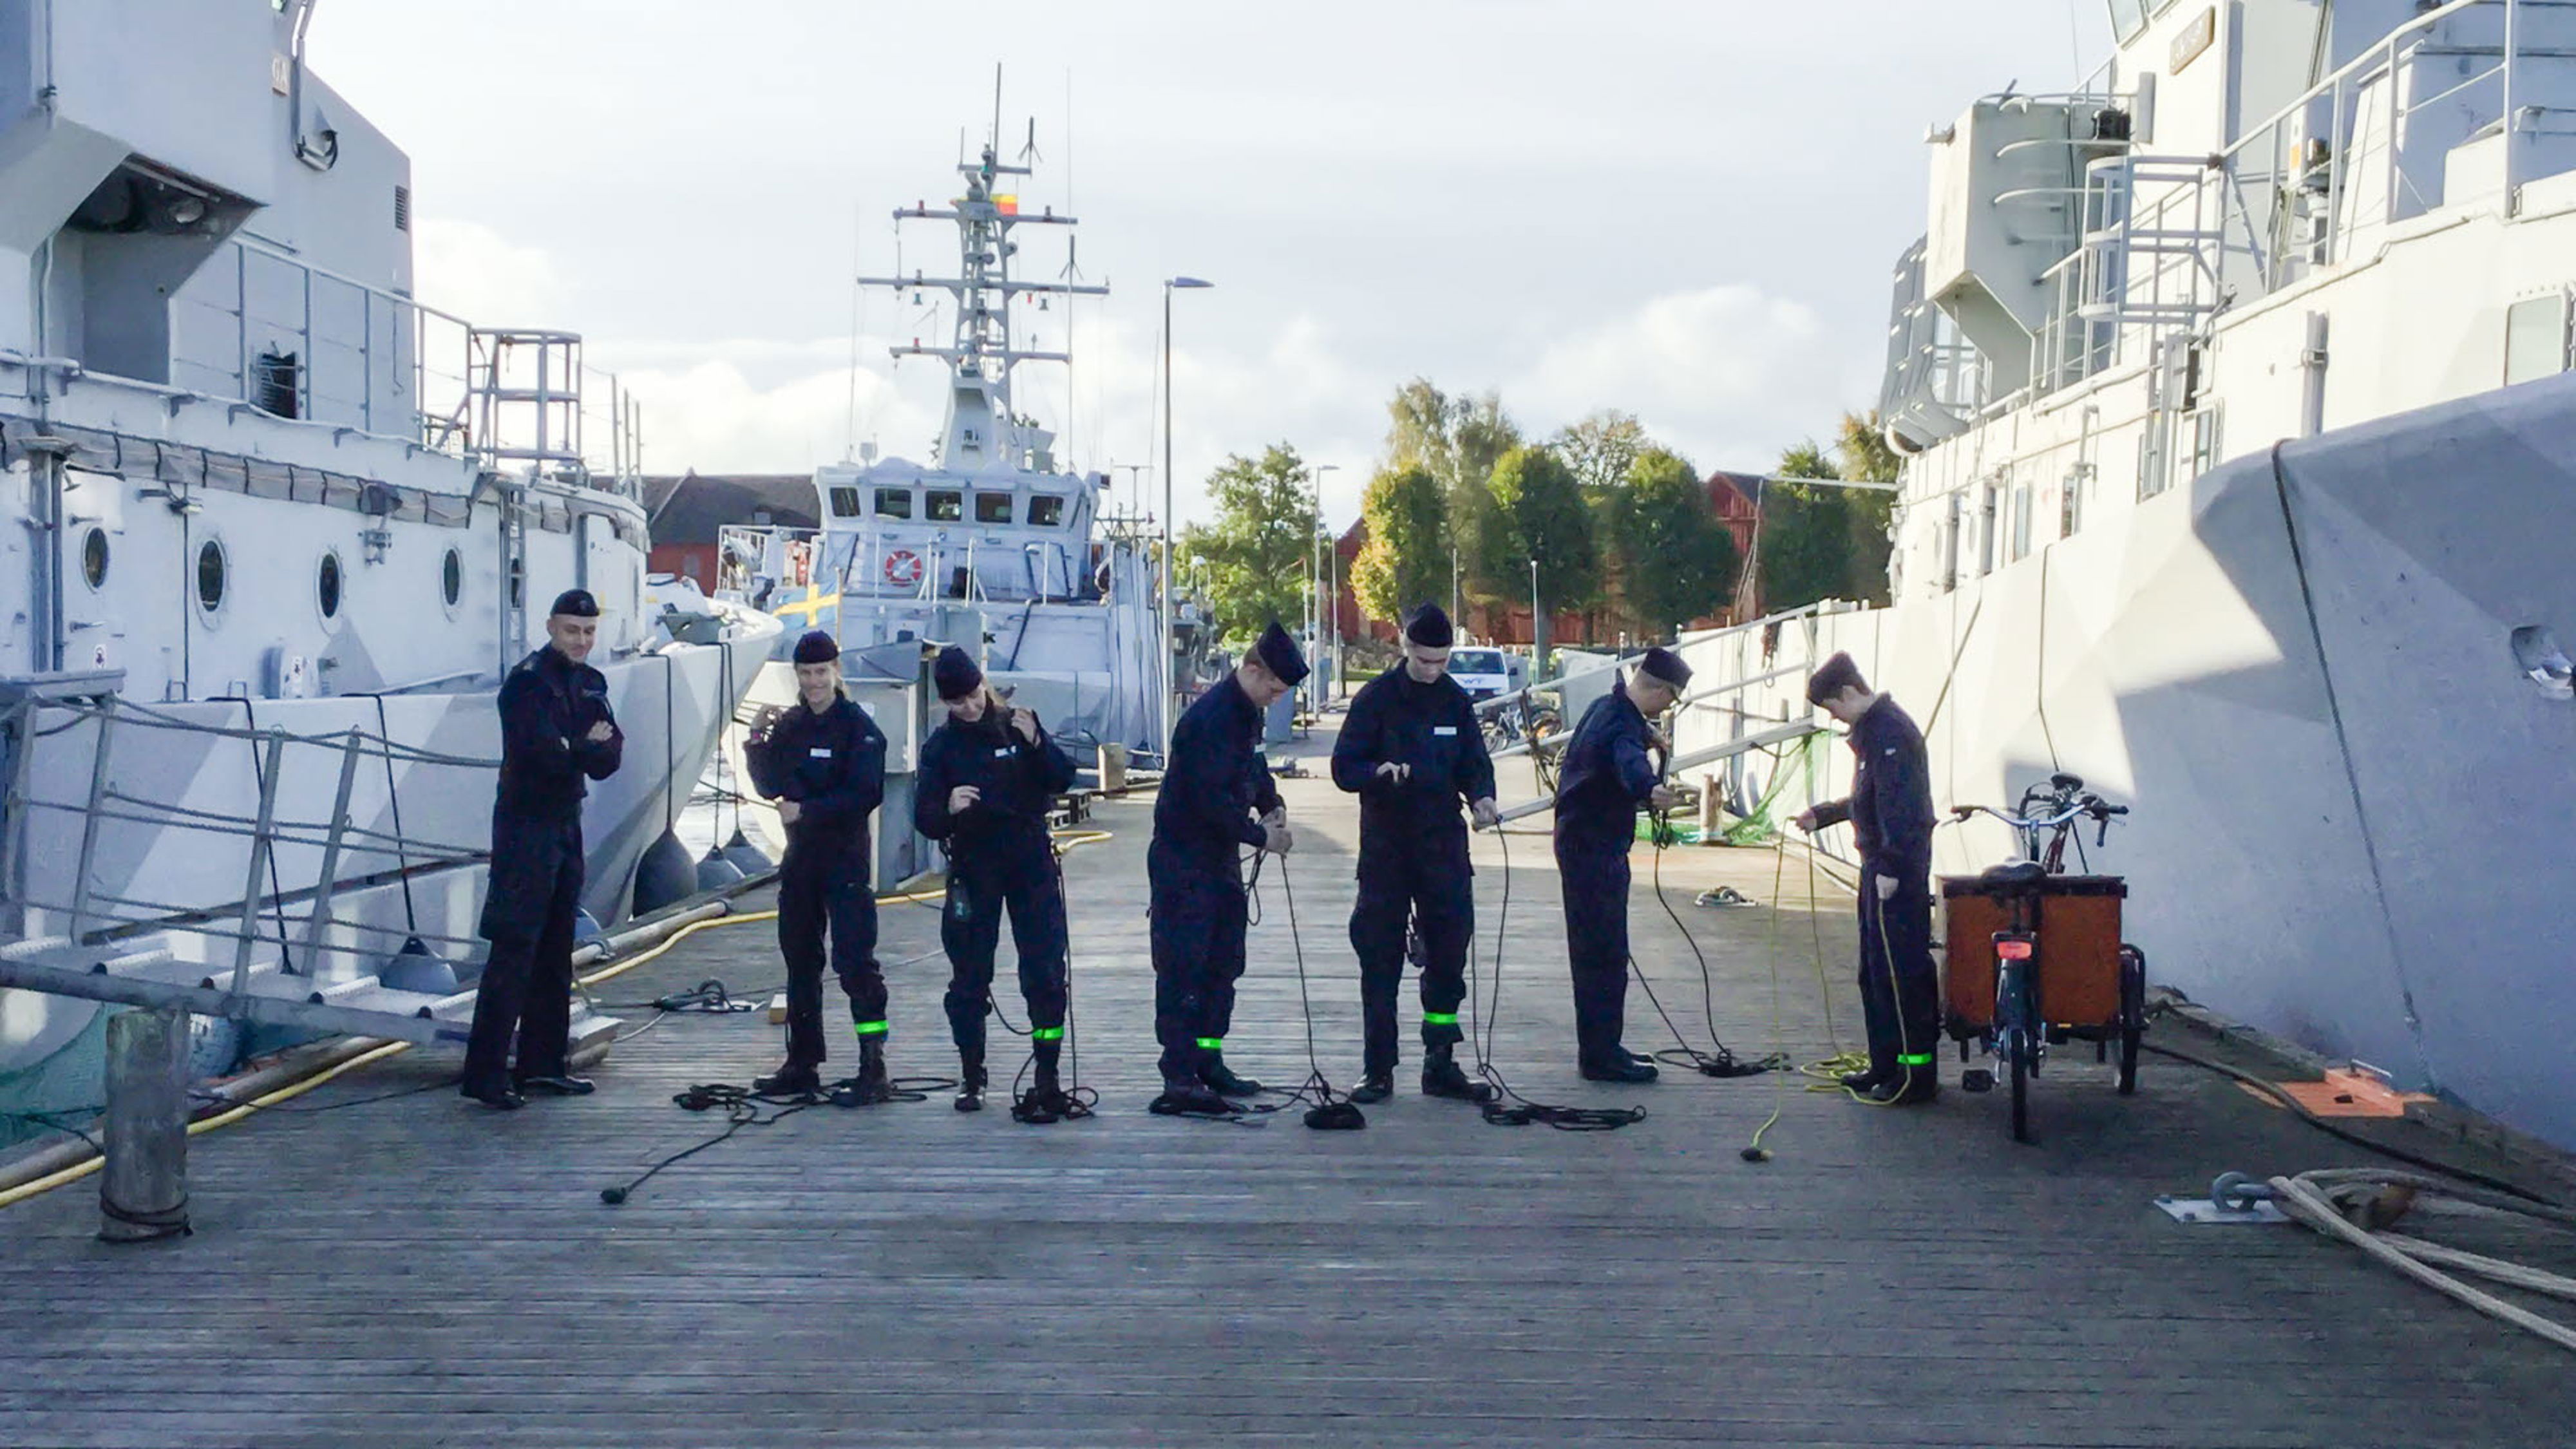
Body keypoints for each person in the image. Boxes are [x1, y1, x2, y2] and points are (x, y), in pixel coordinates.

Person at [1331, 603, 1499, 1104]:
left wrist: (1484, 796)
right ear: (1405, 649)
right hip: (1387, 846)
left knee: (1449, 953)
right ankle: (1377, 1067)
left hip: (1442, 845)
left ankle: (1440, 1062)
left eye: (1442, 662)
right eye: (1425, 661)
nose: (1433, 671)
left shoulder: (1454, 702)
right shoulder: (1376, 699)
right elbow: (1344, 767)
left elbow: (1474, 762)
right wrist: (1378, 773)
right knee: (1379, 955)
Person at [463, 589, 623, 1110]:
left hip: (565, 823)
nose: (581, 641)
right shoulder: (527, 683)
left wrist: (580, 747)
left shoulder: (590, 682)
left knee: (558, 946)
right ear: (551, 626)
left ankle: (542, 1064)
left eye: (589, 631)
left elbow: (610, 756)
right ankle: (485, 1075)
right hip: (524, 826)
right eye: (573, 630)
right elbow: (541, 754)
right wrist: (583, 745)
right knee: (514, 949)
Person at [915, 645, 1079, 1122]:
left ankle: (1046, 1074)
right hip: (974, 864)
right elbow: (924, 818)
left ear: (982, 684)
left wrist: (1038, 744)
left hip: (1029, 860)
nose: (968, 708)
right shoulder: (941, 747)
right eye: (956, 703)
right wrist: (948, 807)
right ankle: (972, 1073)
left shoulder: (1017, 723)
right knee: (969, 972)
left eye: (971, 696)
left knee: (1045, 968)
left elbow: (1062, 779)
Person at [1147, 621, 1303, 1115]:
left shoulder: (1248, 716)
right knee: (1184, 965)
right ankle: (1178, 1075)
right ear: (1252, 669)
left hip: (1219, 861)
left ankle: (1209, 1059)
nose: (1277, 700)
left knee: (1223, 963)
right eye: (1274, 689)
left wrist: (1269, 803)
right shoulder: (1210, 720)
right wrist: (1263, 837)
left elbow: (1253, 768)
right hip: (1185, 859)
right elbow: (1208, 800)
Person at [744, 630, 891, 1099]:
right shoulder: (791, 725)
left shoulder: (858, 728)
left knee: (855, 963)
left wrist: (809, 810)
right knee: (800, 963)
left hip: (844, 862)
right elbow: (769, 786)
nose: (813, 683)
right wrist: (756, 743)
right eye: (806, 674)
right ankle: (802, 1063)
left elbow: (866, 793)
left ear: (836, 671)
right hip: (801, 862)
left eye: (821, 673)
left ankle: (874, 1066)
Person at [1794, 652, 1939, 1104]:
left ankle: (1915, 1072)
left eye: (1833, 708)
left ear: (1850, 693)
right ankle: (1884, 1062)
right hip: (1876, 864)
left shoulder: (1892, 733)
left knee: (1901, 973)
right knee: (1874, 971)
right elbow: (1870, 798)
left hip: (1895, 868)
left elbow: (1905, 806)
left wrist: (1894, 866)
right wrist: (1827, 814)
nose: (1834, 718)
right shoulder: (1873, 734)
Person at [1550, 647, 1690, 1083]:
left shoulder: (1606, 706)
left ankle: (1601, 1046)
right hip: (1594, 849)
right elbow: (1627, 761)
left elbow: (1623, 742)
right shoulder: (1622, 729)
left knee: (1595, 950)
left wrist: (1650, 738)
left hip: (1578, 842)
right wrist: (1651, 789)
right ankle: (1600, 1057)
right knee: (1604, 953)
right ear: (1659, 689)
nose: (1670, 709)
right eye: (1672, 699)